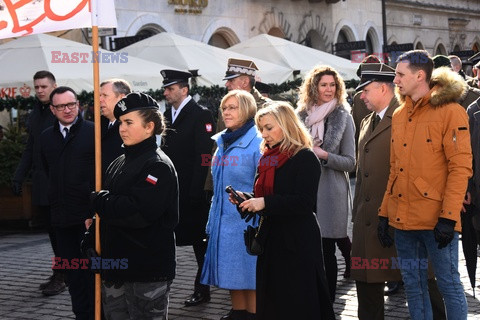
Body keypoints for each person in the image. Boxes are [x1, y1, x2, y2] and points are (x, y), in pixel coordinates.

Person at [378, 50, 471, 319]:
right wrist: (385, 213)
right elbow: (395, 169)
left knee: (449, 285)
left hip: (437, 220)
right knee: (413, 286)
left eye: (399, 74)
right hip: (402, 220)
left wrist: (449, 218)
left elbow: (460, 168)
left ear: (420, 75)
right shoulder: (398, 115)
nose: (395, 80)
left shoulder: (451, 111)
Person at [352, 63, 446, 319]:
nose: (361, 96)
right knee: (367, 285)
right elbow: (362, 174)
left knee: (423, 281)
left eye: (366, 90)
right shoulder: (366, 121)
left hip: (404, 221)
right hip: (368, 222)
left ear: (383, 88)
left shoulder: (410, 116)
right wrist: (357, 215)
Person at [231, 101, 335, 320]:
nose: (264, 134)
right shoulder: (267, 158)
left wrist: (264, 203)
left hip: (297, 242)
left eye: (269, 128)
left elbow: (304, 203)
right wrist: (248, 200)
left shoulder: (305, 157)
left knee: (297, 303)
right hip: (271, 239)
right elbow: (268, 198)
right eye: (261, 129)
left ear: (286, 125)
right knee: (273, 302)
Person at [89, 92, 178, 319]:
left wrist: (100, 201)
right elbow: (107, 214)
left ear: (149, 127)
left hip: (146, 271)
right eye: (120, 122)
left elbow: (138, 212)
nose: (122, 128)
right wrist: (91, 239)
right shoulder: (119, 161)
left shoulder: (157, 166)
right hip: (115, 267)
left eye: (129, 122)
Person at [201, 90, 262, 320]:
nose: (226, 112)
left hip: (247, 221)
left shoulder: (257, 141)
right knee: (231, 273)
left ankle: (254, 315)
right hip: (223, 220)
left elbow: (263, 184)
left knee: (250, 274)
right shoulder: (222, 140)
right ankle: (238, 313)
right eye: (224, 108)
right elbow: (217, 185)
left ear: (246, 109)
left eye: (232, 107)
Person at [297, 65, 356, 301]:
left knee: (327, 249)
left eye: (333, 85)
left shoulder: (343, 117)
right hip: (303, 191)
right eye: (324, 85)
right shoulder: (300, 116)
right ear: (314, 87)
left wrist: (323, 155)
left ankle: (328, 300)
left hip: (331, 191)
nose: (328, 89)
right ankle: (311, 294)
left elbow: (351, 162)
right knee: (306, 248)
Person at [161, 69, 215, 306]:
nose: (166, 93)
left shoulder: (200, 114)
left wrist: (197, 190)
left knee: (198, 243)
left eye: (170, 88)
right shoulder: (166, 115)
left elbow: (205, 157)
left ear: (184, 89)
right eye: (165, 88)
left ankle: (202, 289)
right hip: (171, 191)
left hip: (192, 193)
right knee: (170, 239)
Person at [40, 86, 95, 319]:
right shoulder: (46, 137)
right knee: (73, 276)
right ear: (53, 110)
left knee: (92, 274)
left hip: (87, 218)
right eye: (61, 106)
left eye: (71, 104)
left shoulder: (94, 132)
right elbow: (45, 170)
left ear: (79, 105)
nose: (67, 110)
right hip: (61, 218)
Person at [12, 71, 64, 296]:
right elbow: (30, 148)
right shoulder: (35, 113)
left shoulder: (63, 112)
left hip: (61, 185)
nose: (40, 90)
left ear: (54, 86)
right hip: (43, 184)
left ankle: (63, 275)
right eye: (37, 87)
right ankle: (60, 273)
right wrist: (18, 176)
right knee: (52, 232)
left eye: (44, 86)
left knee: (62, 233)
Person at [99, 78, 131, 173]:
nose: (100, 100)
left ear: (121, 98)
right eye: (100, 96)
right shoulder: (98, 124)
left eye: (105, 95)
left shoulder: (132, 126)